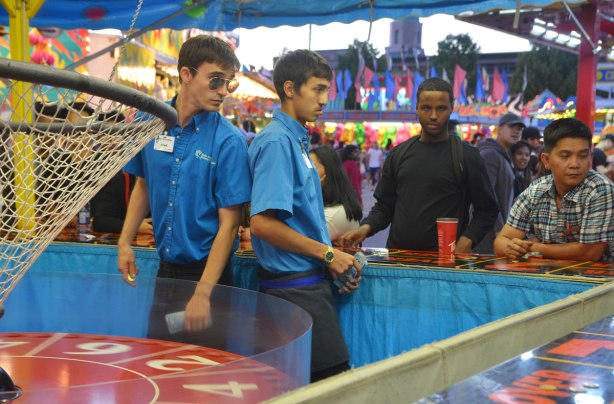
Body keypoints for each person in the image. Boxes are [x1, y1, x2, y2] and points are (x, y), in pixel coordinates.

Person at [117, 35, 251, 334]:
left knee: (203, 372)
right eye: (215, 80)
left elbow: (229, 226)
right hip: (166, 272)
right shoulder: (149, 121)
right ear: (186, 75)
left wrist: (203, 293)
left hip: (209, 277)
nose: (222, 91)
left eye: (228, 82)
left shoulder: (229, 142)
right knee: (159, 363)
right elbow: (143, 184)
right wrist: (124, 242)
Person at [248, 49, 362, 382]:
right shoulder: (276, 142)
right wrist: (327, 253)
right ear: (289, 88)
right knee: (331, 388)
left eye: (327, 90)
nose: (325, 99)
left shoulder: (296, 141)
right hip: (293, 293)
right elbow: (262, 223)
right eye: (317, 89)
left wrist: (332, 260)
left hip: (306, 286)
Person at [340, 78, 499, 253]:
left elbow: (487, 210)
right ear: (416, 107)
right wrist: (365, 228)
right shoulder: (398, 154)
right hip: (398, 260)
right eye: (426, 108)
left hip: (445, 264)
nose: (433, 116)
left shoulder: (467, 156)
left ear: (451, 107)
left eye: (441, 108)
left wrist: (467, 240)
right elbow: (384, 207)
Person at [495, 118, 614, 262]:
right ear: (546, 161)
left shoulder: (599, 189)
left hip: (600, 282)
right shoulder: (536, 190)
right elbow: (501, 241)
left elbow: (589, 253)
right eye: (565, 156)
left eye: (583, 156)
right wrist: (510, 247)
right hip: (546, 279)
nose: (575, 164)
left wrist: (533, 248)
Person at [474, 112, 524, 254]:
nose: (516, 131)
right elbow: (487, 194)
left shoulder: (504, 156)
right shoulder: (490, 154)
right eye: (512, 127)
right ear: (500, 129)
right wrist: (499, 228)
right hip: (488, 232)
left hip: (499, 231)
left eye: (520, 128)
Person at [310, 146, 362, 242]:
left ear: (328, 171)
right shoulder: (330, 206)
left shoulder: (334, 215)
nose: (304, 173)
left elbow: (298, 244)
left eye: (311, 167)